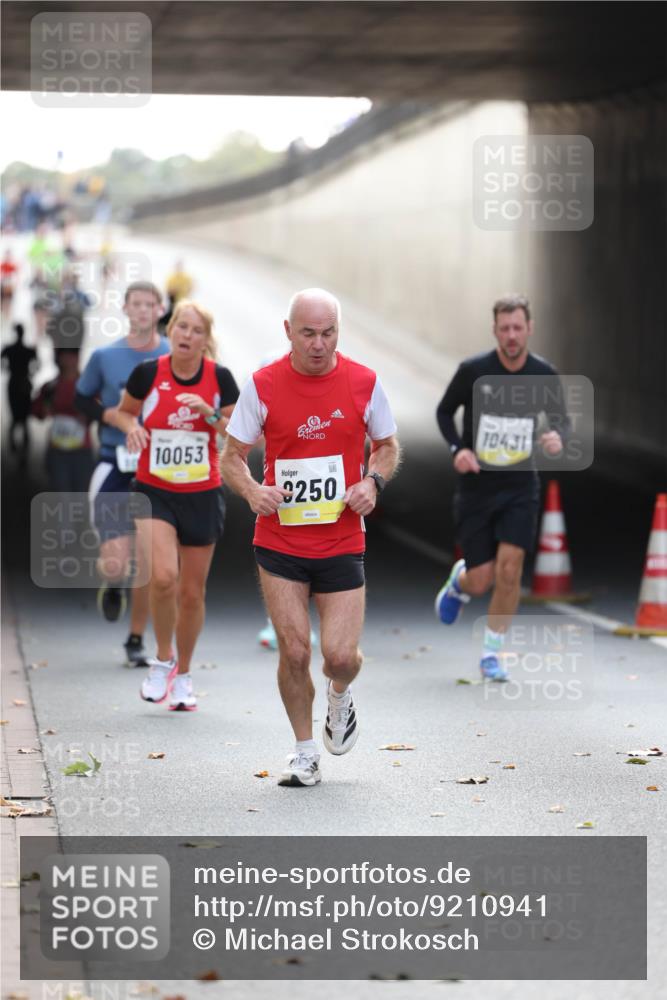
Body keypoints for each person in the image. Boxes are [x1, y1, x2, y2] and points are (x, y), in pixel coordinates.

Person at [221, 288, 400, 787]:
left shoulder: (364, 382)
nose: (319, 344)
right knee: (296, 651)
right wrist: (253, 491)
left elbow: (387, 446)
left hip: (341, 540)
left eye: (328, 333)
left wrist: (372, 482)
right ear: (288, 332)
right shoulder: (263, 385)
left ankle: (339, 696)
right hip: (279, 541)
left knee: (339, 657)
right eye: (308, 334)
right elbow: (231, 456)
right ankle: (304, 753)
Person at [435, 293, 566, 681]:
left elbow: (561, 419)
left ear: (529, 329)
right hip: (477, 487)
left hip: (520, 486)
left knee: (511, 570)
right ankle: (459, 583)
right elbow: (444, 411)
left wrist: (556, 437)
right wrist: (458, 449)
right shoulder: (473, 371)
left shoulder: (543, 375)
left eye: (517, 328)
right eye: (504, 328)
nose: (511, 335)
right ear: (494, 330)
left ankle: (492, 654)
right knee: (481, 579)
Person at [116, 301, 239, 711]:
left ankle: (183, 675)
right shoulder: (148, 373)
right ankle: (163, 659)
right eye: (181, 327)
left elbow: (240, 434)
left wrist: (209, 414)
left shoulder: (220, 378)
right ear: (171, 332)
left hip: (202, 493)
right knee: (164, 577)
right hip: (155, 490)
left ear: (206, 339)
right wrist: (132, 428)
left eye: (196, 330)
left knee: (191, 593)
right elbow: (123, 413)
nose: (187, 335)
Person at [75, 281, 170, 667]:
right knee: (118, 562)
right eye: (137, 304)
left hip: (160, 467)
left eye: (150, 304)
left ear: (160, 309)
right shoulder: (105, 356)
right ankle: (113, 584)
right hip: (115, 463)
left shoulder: (174, 355)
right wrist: (109, 415)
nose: (144, 310)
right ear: (126, 309)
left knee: (148, 559)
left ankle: (135, 639)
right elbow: (82, 397)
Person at [31, 348, 94, 493]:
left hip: (82, 450)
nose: (69, 360)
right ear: (59, 359)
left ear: (78, 358)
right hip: (57, 450)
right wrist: (44, 409)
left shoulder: (89, 387)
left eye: (72, 356)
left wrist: (89, 413)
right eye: (65, 356)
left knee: (82, 493)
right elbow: (36, 411)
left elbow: (103, 413)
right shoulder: (50, 387)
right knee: (61, 492)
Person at [1, 323, 38, 461]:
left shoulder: (9, 349)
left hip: (14, 383)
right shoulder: (28, 350)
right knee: (24, 418)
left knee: (16, 416)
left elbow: (2, 363)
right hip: (24, 382)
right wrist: (30, 374)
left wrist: (9, 370)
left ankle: (15, 446)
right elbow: (37, 365)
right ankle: (22, 449)